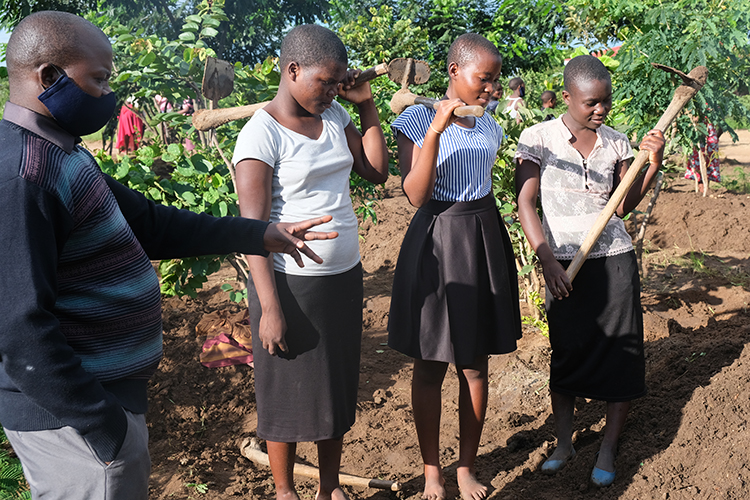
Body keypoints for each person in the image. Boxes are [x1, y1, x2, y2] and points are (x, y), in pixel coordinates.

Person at [0, 11, 338, 500]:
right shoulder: (22, 177)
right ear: (50, 77)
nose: (108, 95)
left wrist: (261, 234)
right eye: (98, 79)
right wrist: (104, 428)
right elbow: (18, 328)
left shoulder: (62, 153)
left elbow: (153, 225)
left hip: (99, 405)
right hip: (72, 422)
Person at [231, 24, 388, 500]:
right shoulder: (260, 136)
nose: (333, 90)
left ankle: (328, 488)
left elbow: (377, 172)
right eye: (326, 81)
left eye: (340, 82)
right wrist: (270, 308)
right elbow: (251, 231)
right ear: (292, 70)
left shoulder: (338, 114)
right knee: (285, 391)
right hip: (288, 286)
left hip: (341, 277)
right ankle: (285, 491)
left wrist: (363, 103)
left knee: (334, 387)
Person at [514, 55, 665, 488]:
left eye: (605, 103)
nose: (600, 111)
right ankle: (564, 443)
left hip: (614, 259)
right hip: (563, 265)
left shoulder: (617, 142)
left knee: (621, 355)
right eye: (590, 104)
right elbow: (526, 203)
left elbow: (622, 206)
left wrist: (652, 162)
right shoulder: (538, 138)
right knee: (567, 351)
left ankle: (607, 446)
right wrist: (546, 260)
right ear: (566, 98)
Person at [388, 33, 522, 500]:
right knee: (429, 364)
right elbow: (415, 194)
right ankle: (431, 473)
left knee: (474, 364)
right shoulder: (415, 118)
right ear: (454, 72)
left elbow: (481, 181)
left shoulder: (490, 125)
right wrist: (435, 131)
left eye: (495, 81)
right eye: (483, 79)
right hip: (436, 240)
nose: (491, 89)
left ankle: (466, 467)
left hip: (480, 236)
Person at [684, 117, 721, 187]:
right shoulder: (710, 108)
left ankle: (704, 187)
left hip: (705, 135)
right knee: (703, 160)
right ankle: (702, 187)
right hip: (704, 134)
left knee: (705, 161)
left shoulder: (710, 107)